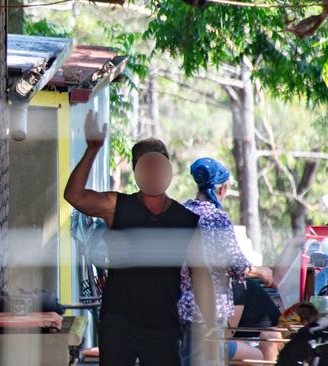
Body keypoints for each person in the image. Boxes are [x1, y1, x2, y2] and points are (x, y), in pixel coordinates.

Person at [64, 112, 215, 366]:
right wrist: (92, 149)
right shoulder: (116, 206)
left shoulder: (185, 220)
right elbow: (74, 196)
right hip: (118, 322)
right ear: (136, 170)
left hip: (163, 327)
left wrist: (211, 328)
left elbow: (201, 275)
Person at [178, 157, 264, 365]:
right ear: (222, 188)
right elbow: (237, 267)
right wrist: (263, 272)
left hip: (180, 307)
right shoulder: (217, 219)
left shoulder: (181, 212)